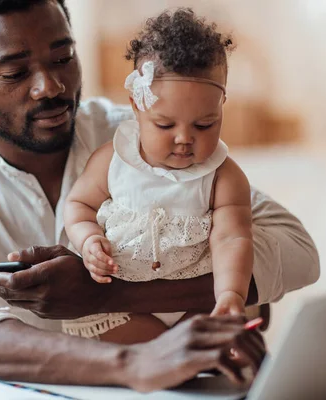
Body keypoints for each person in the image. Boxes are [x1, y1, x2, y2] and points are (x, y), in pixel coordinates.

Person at [0, 0, 319, 392]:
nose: (51, 86)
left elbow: (295, 249)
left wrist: (113, 297)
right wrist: (133, 362)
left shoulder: (143, 137)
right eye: (16, 73)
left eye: (63, 58)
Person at [63, 9, 253, 344]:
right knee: (97, 332)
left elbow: (232, 239)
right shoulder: (111, 160)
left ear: (221, 106)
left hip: (194, 298)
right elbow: (78, 205)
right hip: (118, 300)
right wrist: (88, 239)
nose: (184, 138)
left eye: (204, 124)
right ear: (137, 107)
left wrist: (230, 295)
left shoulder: (224, 178)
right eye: (165, 125)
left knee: (234, 331)